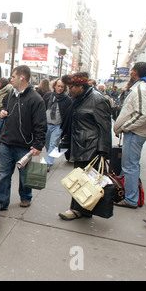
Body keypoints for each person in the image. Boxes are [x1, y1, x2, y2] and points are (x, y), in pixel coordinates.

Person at [58, 72, 112, 220]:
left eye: (71, 87)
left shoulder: (97, 100)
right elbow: (73, 123)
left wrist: (103, 150)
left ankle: (76, 209)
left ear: (80, 87)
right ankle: (85, 209)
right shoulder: (79, 98)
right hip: (80, 144)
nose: (69, 90)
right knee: (82, 178)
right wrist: (66, 141)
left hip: (91, 147)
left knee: (82, 179)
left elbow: (105, 127)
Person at [0, 65, 47, 210]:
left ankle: (25, 197)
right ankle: (0, 202)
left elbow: (41, 125)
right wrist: (3, 111)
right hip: (6, 142)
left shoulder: (36, 99)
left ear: (22, 78)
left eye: (13, 77)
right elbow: (4, 107)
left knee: (24, 176)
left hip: (25, 145)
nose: (11, 79)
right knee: (3, 174)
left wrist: (38, 145)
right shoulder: (11, 94)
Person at [113, 62, 146, 209]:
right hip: (136, 132)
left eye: (131, 70)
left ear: (135, 71)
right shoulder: (141, 87)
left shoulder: (141, 88)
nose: (130, 72)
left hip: (135, 133)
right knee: (130, 165)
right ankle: (128, 193)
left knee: (130, 166)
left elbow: (143, 114)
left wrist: (125, 127)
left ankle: (130, 199)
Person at [43, 78, 72, 172]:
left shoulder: (67, 100)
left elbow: (68, 115)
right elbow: (42, 107)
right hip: (47, 124)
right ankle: (50, 156)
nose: (60, 88)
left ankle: (48, 163)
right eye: (58, 86)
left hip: (58, 126)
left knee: (53, 144)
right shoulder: (48, 95)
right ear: (55, 86)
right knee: (47, 144)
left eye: (62, 87)